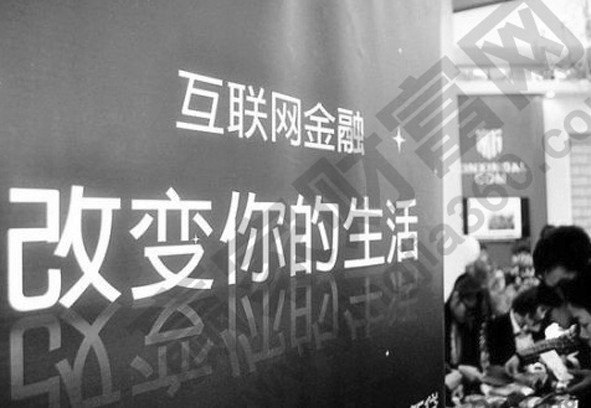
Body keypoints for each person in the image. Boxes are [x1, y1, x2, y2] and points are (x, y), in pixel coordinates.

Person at [486, 287, 548, 367]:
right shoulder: (497, 325)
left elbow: (542, 350)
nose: (543, 316)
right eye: (542, 310)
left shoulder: (538, 326)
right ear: (529, 306)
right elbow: (496, 363)